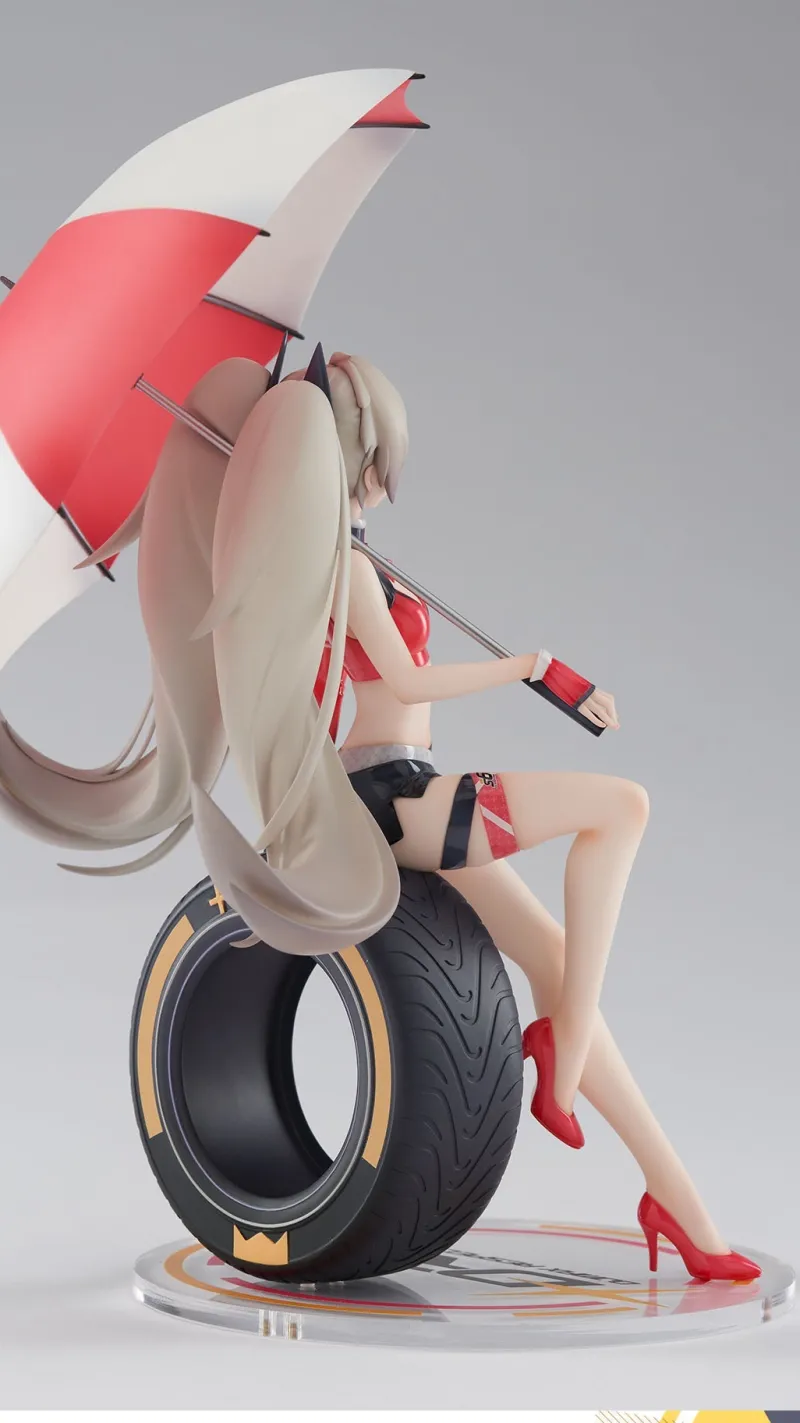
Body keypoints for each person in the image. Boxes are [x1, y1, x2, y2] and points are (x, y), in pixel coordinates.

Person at [0, 347, 758, 1285]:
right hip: (389, 794)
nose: (381, 484)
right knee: (620, 807)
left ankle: (676, 1201)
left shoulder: (364, 563)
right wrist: (526, 667)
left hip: (416, 781)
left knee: (560, 961)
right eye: (373, 461)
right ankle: (560, 1066)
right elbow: (404, 682)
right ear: (347, 457)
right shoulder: (343, 566)